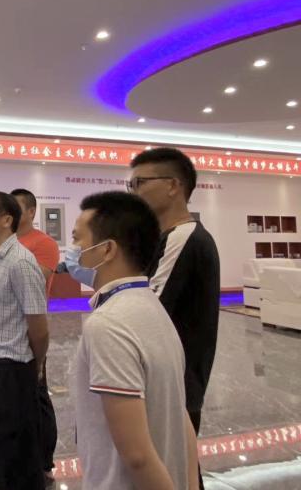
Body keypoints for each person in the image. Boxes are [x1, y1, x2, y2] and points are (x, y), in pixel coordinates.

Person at [67, 191, 199, 490]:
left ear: (107, 250)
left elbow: (137, 457)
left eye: (77, 239)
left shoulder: (109, 324)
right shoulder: (153, 308)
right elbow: (182, 419)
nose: (72, 251)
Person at [130, 147, 220, 489]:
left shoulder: (184, 237)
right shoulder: (166, 238)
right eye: (131, 184)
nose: (134, 191)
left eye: (140, 182)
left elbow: (145, 308)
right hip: (165, 380)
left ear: (173, 185)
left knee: (173, 474)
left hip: (175, 384)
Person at [0, 190, 49, 490]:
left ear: (6, 220)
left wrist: (36, 365)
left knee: (18, 458)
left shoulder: (20, 262)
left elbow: (39, 327)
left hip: (12, 372)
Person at [12, 189, 60, 487]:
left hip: (28, 328)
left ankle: (43, 462)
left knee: (36, 394)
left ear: (31, 211)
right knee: (8, 397)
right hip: (3, 332)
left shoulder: (43, 244)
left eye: (17, 207)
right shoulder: (5, 242)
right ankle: (8, 451)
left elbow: (31, 282)